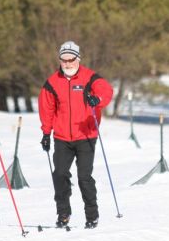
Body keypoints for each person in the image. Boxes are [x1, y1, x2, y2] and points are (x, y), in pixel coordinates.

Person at [38, 40, 114, 229]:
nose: (68, 64)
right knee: (60, 174)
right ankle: (63, 213)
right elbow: (46, 109)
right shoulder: (52, 82)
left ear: (78, 59)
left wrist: (98, 99)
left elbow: (107, 90)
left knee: (84, 177)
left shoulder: (90, 78)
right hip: (62, 137)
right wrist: (46, 133)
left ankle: (92, 215)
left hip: (86, 135)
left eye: (71, 59)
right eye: (64, 60)